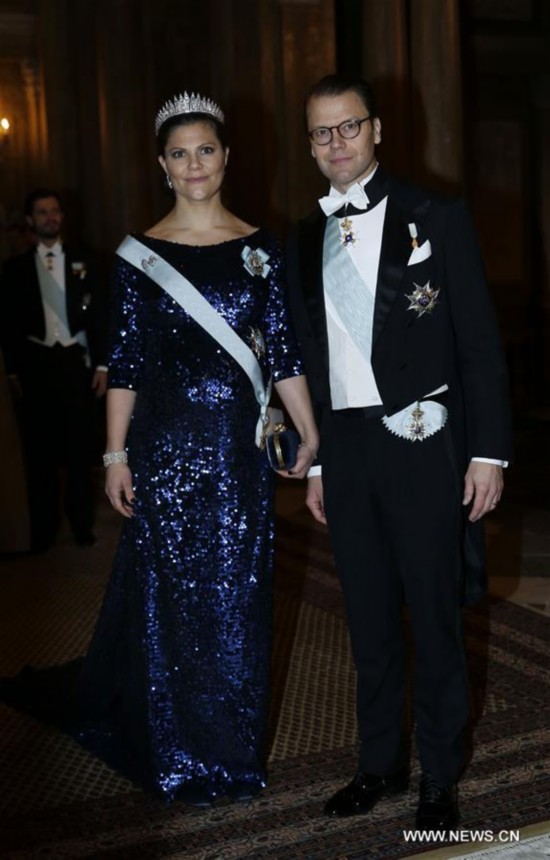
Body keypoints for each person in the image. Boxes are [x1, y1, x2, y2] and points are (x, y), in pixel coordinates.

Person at [1, 92, 318, 805]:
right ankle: (180, 751)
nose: (195, 164)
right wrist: (115, 455)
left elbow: (286, 352)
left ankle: (232, 751)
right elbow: (128, 363)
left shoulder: (263, 248)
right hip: (166, 450)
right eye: (180, 153)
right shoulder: (137, 256)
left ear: (226, 157)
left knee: (238, 596)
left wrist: (310, 430)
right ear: (162, 165)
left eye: (206, 149)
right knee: (175, 601)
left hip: (238, 452)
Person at [286, 74, 512, 831]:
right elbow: (313, 359)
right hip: (346, 452)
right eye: (321, 133)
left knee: (434, 615)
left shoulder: (435, 215)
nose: (335, 144)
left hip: (424, 443)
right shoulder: (302, 235)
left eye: (347, 127)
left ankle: (439, 777)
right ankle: (379, 764)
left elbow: (479, 343)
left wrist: (490, 454)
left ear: (376, 129)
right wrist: (316, 461)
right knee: (370, 620)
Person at [0, 189, 107, 550]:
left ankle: (81, 523)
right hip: (36, 365)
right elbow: (9, 326)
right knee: (40, 452)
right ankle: (43, 529)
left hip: (75, 362)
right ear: (30, 220)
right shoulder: (14, 270)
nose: (50, 218)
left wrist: (104, 364)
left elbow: (101, 318)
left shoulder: (87, 260)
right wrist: (13, 372)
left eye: (55, 211)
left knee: (80, 449)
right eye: (42, 213)